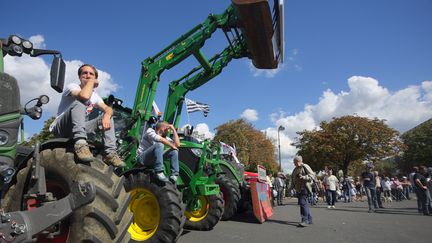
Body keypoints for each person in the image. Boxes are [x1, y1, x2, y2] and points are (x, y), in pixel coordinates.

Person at [50, 64, 125, 167]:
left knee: (107, 116)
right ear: (80, 76)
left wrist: (107, 115)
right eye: (85, 73)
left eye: (91, 74)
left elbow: (108, 109)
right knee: (80, 102)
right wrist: (91, 82)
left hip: (80, 127)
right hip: (62, 127)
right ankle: (80, 144)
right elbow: (84, 96)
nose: (88, 75)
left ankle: (110, 153)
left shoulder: (95, 96)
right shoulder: (72, 87)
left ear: (95, 77)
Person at [288, 155, 316, 227]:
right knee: (304, 203)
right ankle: (309, 219)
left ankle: (305, 220)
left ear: (299, 161)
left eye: (295, 162)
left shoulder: (305, 166)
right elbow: (293, 179)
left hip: (304, 188)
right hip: (298, 189)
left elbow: (312, 175)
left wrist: (304, 177)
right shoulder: (295, 169)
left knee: (302, 203)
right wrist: (290, 188)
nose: (294, 163)